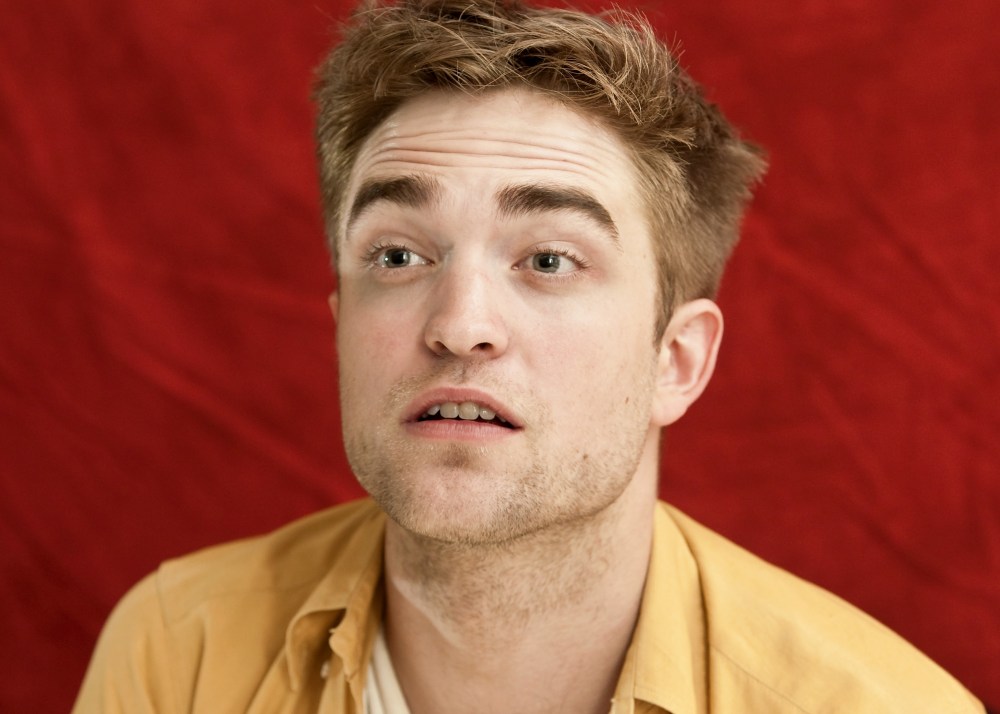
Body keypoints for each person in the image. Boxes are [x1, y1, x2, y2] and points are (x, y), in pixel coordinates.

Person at [73, 1, 985, 712]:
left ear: (675, 361)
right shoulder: (179, 650)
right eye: (398, 256)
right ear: (341, 323)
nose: (459, 325)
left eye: (548, 260)